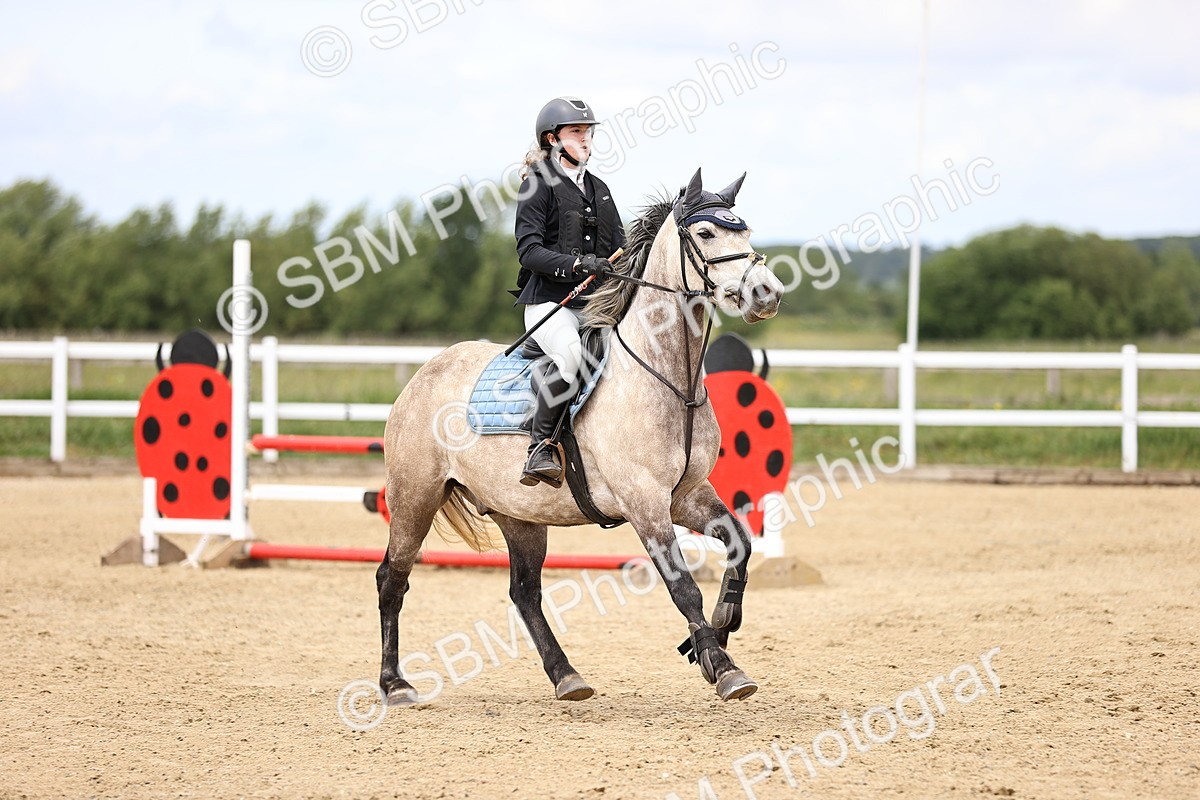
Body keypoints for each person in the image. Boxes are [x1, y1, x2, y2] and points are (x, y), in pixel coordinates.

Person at [513, 96, 626, 487]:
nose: (585, 139)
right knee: (570, 354)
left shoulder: (601, 189)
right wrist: (578, 265)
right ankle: (540, 447)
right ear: (553, 139)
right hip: (549, 303)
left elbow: (620, 247)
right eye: (576, 132)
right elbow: (529, 252)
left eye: (588, 132)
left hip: (594, 306)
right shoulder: (537, 185)